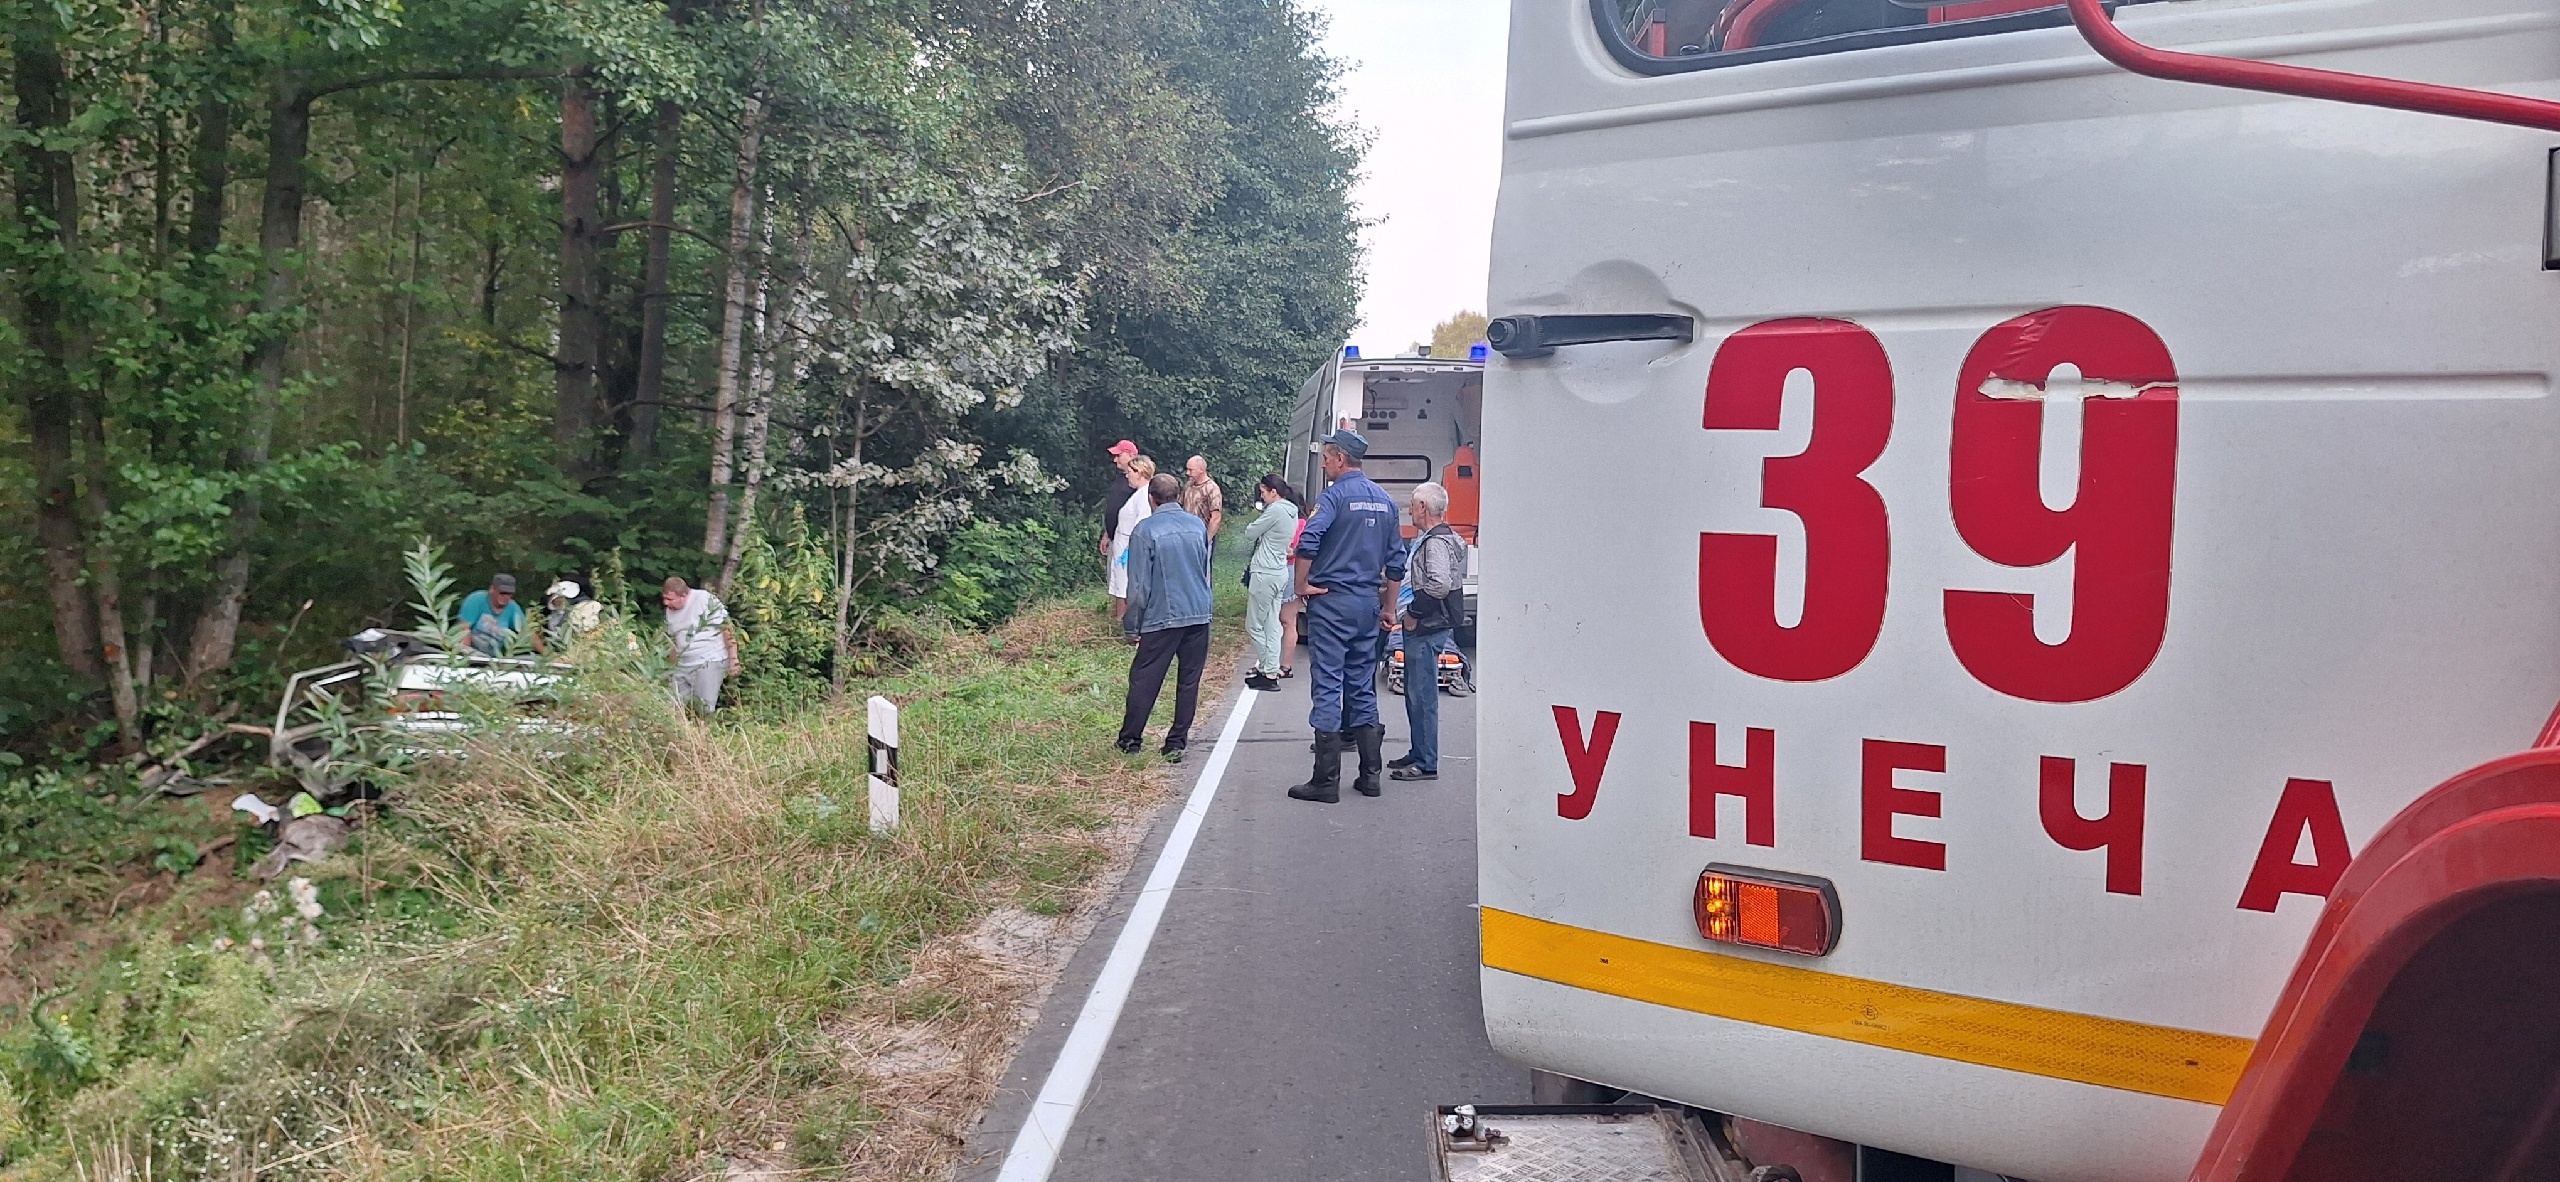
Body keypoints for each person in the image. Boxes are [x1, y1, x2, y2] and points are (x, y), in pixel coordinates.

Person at [1287, 431, 1404, 804]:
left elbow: (1308, 542)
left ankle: (1325, 781)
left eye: (1326, 457)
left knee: (1327, 685)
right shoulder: (1386, 501)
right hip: (1367, 605)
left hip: (1333, 604)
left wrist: (1301, 584)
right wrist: (1388, 608)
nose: (1323, 463)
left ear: (1340, 459)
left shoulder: (1333, 497)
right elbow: (1396, 564)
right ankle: (1371, 776)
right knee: (1361, 685)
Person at [1118, 473, 1214, 762]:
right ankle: (1176, 742)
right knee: (1189, 680)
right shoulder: (1197, 525)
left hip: (1163, 616)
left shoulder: (1145, 531)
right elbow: (1204, 569)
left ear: (1152, 499)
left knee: (1145, 677)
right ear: (1179, 496)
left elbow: (1138, 588)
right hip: (1198, 611)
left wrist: (1132, 626)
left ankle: (1131, 739)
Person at [1390, 483, 1466, 781]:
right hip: (1427, 625)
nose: (1409, 509)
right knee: (1415, 693)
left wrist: (1413, 614)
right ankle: (1419, 751)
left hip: (1426, 625)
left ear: (1423, 507)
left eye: (1412, 504)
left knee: (1422, 695)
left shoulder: (1435, 543)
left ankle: (1426, 762)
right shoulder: (1439, 538)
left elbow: (1438, 584)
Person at [1241, 474, 1300, 691]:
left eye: (1263, 492)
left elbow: (1250, 532)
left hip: (1264, 571)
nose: (1262, 497)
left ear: (1273, 492)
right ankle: (1270, 671)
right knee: (1272, 624)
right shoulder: (1292, 511)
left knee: (1255, 625)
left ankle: (1269, 667)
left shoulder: (1274, 510)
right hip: (1280, 570)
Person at [661, 576, 737, 713]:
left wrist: (733, 659)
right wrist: (669, 668)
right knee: (671, 706)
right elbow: (674, 640)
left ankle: (705, 731)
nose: (666, 603)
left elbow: (726, 627)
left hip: (709, 660)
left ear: (684, 596)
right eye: (664, 598)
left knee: (704, 708)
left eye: (670, 599)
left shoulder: (704, 599)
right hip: (683, 664)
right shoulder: (670, 611)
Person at [1108, 455, 1158, 623]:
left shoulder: (1145, 496)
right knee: (1121, 581)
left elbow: (1141, 525)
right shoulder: (1138, 493)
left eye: (1130, 472)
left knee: (1128, 583)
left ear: (1140, 473)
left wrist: (1131, 549)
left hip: (1129, 546)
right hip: (1123, 543)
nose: (1127, 475)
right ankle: (1122, 617)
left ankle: (1130, 619)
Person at [456, 573, 529, 656]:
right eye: (502, 593)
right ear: (492, 589)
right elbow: (463, 629)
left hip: (496, 658)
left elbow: (528, 632)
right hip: (471, 652)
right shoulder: (475, 599)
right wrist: (465, 658)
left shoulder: (513, 607)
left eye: (509, 594)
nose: (506, 597)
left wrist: (545, 655)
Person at [1098, 439, 1140, 568]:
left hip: (1128, 541)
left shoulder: (1139, 483)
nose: (1115, 460)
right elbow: (1114, 508)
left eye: (1118, 456)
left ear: (1131, 455)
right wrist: (1107, 534)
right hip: (1114, 537)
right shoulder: (1120, 477)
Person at [1182, 455, 1225, 541]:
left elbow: (1216, 517)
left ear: (1201, 470)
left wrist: (1207, 539)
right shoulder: (1188, 485)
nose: (1187, 473)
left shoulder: (1212, 488)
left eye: (1191, 470)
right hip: (1186, 533)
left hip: (1202, 534)